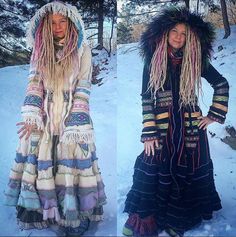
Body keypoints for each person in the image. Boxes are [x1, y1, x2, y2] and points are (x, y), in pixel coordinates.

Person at [123, 7, 229, 237]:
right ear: (164, 32)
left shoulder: (197, 60)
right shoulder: (152, 60)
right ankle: (147, 217)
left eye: (184, 33)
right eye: (174, 31)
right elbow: (147, 97)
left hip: (190, 128)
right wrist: (149, 131)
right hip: (161, 127)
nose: (179, 37)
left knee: (187, 168)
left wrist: (213, 114)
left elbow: (221, 84)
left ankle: (178, 220)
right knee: (153, 162)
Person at [4, 1, 106, 236]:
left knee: (71, 164)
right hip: (45, 120)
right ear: (45, 26)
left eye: (62, 21)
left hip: (73, 118)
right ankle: (45, 211)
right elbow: (34, 83)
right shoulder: (40, 50)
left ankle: (72, 213)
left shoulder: (83, 50)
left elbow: (83, 84)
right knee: (44, 163)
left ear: (71, 23)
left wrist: (76, 118)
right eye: (53, 22)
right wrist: (31, 114)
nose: (58, 26)